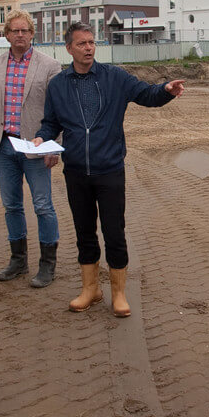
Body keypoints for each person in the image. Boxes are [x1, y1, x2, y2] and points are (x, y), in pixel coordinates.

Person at [33, 21, 185, 316]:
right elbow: (51, 122)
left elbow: (146, 94)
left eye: (91, 42)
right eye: (82, 44)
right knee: (84, 232)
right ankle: (90, 289)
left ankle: (118, 293)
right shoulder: (58, 85)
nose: (89, 48)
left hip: (110, 170)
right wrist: (42, 137)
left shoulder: (114, 77)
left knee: (114, 232)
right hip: (76, 172)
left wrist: (165, 90)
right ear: (69, 49)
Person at [0, 10, 63, 287]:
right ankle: (18, 261)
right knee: (11, 205)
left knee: (43, 206)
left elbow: (58, 111)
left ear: (32, 33)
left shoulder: (49, 65)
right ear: (6, 34)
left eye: (24, 30)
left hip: (36, 147)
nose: (20, 35)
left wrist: (53, 147)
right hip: (4, 147)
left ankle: (47, 265)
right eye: (14, 30)